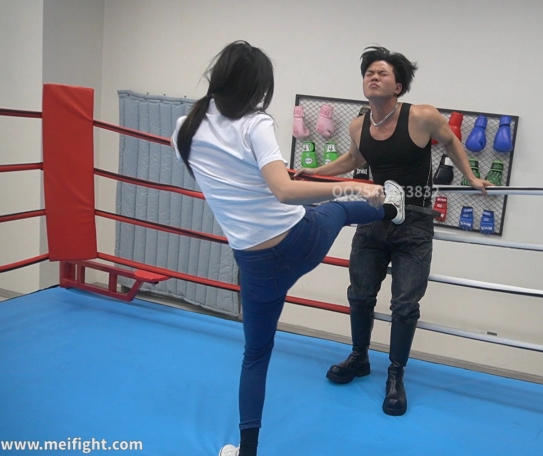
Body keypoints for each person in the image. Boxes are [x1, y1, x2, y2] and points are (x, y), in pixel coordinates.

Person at [171, 41, 406, 456]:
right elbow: (282, 191)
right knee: (339, 208)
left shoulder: (183, 130)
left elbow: (231, 183)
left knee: (255, 356)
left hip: (254, 264)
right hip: (298, 241)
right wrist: (354, 185)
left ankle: (247, 450)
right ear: (257, 87)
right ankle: (391, 207)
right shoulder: (255, 123)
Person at [295, 45, 492, 416]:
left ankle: (395, 375)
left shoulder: (421, 116)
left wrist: (471, 177)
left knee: (404, 305)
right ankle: (359, 358)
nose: (373, 77)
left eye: (382, 73)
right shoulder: (359, 125)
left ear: (398, 86)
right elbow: (353, 159)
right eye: (369, 72)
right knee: (359, 294)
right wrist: (316, 173)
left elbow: (451, 141)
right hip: (374, 216)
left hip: (414, 222)